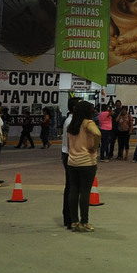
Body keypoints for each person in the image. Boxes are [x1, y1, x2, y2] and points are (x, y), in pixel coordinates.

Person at [66, 100, 101, 232]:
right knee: (85, 192)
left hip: (72, 161)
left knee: (74, 191)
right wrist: (95, 146)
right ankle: (84, 222)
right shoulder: (88, 123)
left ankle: (74, 221)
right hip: (86, 162)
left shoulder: (72, 124)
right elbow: (97, 133)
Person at [60, 97, 79, 230]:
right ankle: (69, 218)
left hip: (69, 154)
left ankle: (70, 217)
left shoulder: (71, 120)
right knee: (71, 188)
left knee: (72, 188)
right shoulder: (71, 121)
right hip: (71, 155)